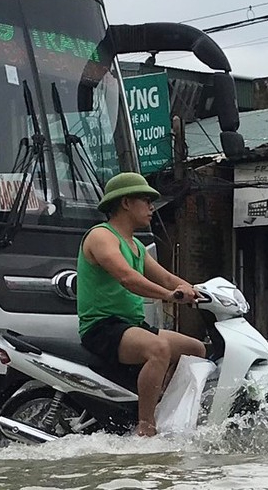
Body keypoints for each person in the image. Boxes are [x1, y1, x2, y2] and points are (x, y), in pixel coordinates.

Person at [78, 173, 206, 437]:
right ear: (126, 203)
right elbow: (128, 278)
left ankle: (162, 405)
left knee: (196, 349)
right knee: (159, 348)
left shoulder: (135, 244)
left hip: (131, 326)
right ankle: (146, 426)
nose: (151, 207)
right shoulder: (101, 236)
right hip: (103, 327)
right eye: (146, 200)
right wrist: (171, 295)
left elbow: (168, 277)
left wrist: (196, 291)